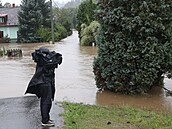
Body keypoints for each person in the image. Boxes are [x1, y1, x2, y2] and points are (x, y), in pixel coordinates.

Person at [25, 47, 62, 127]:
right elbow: (57, 62)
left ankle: (46, 119)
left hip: (42, 82)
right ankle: (45, 121)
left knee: (46, 101)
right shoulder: (49, 61)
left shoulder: (40, 60)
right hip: (45, 83)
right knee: (46, 102)